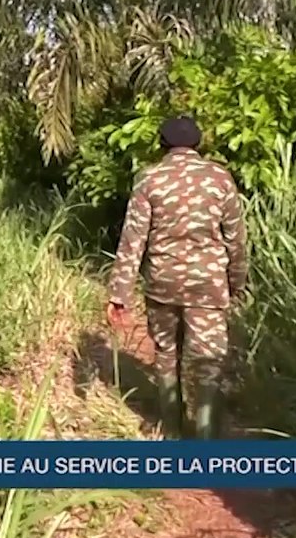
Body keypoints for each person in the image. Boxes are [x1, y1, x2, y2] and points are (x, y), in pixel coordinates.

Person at [105, 116, 248, 439]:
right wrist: (236, 283)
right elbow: (236, 240)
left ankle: (171, 431)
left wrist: (119, 294)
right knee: (208, 360)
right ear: (198, 144)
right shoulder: (219, 178)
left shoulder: (149, 179)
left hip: (162, 284)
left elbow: (132, 241)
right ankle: (207, 437)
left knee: (167, 353)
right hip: (208, 285)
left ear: (163, 144)